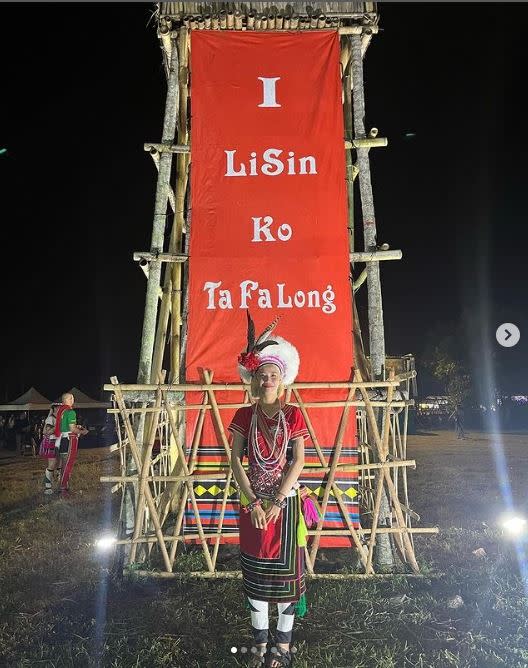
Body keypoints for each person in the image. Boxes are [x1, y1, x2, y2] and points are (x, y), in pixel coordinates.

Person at [229, 316, 309, 668]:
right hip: (252, 507)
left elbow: (298, 461)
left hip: (285, 505)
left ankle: (283, 647)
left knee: (286, 581)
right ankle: (260, 644)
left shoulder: (292, 415)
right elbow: (235, 460)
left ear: (282, 379)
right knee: (257, 577)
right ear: (254, 377)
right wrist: (252, 501)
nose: (267, 379)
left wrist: (276, 500)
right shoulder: (244, 415)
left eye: (273, 374)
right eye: (262, 373)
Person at [53, 393, 88, 494]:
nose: (73, 400)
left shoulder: (60, 411)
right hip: (69, 440)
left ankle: (64, 485)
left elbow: (64, 426)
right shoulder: (70, 411)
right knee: (68, 464)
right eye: (72, 398)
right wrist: (82, 432)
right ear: (69, 399)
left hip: (61, 439)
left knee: (64, 464)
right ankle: (63, 488)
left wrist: (75, 426)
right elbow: (72, 429)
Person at [40, 403, 60, 494]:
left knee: (60, 463)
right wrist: (58, 425)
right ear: (55, 408)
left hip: (59, 442)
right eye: (60, 407)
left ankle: (61, 485)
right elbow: (46, 432)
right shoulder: (50, 419)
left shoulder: (59, 418)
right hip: (52, 442)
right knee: (52, 464)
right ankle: (48, 487)